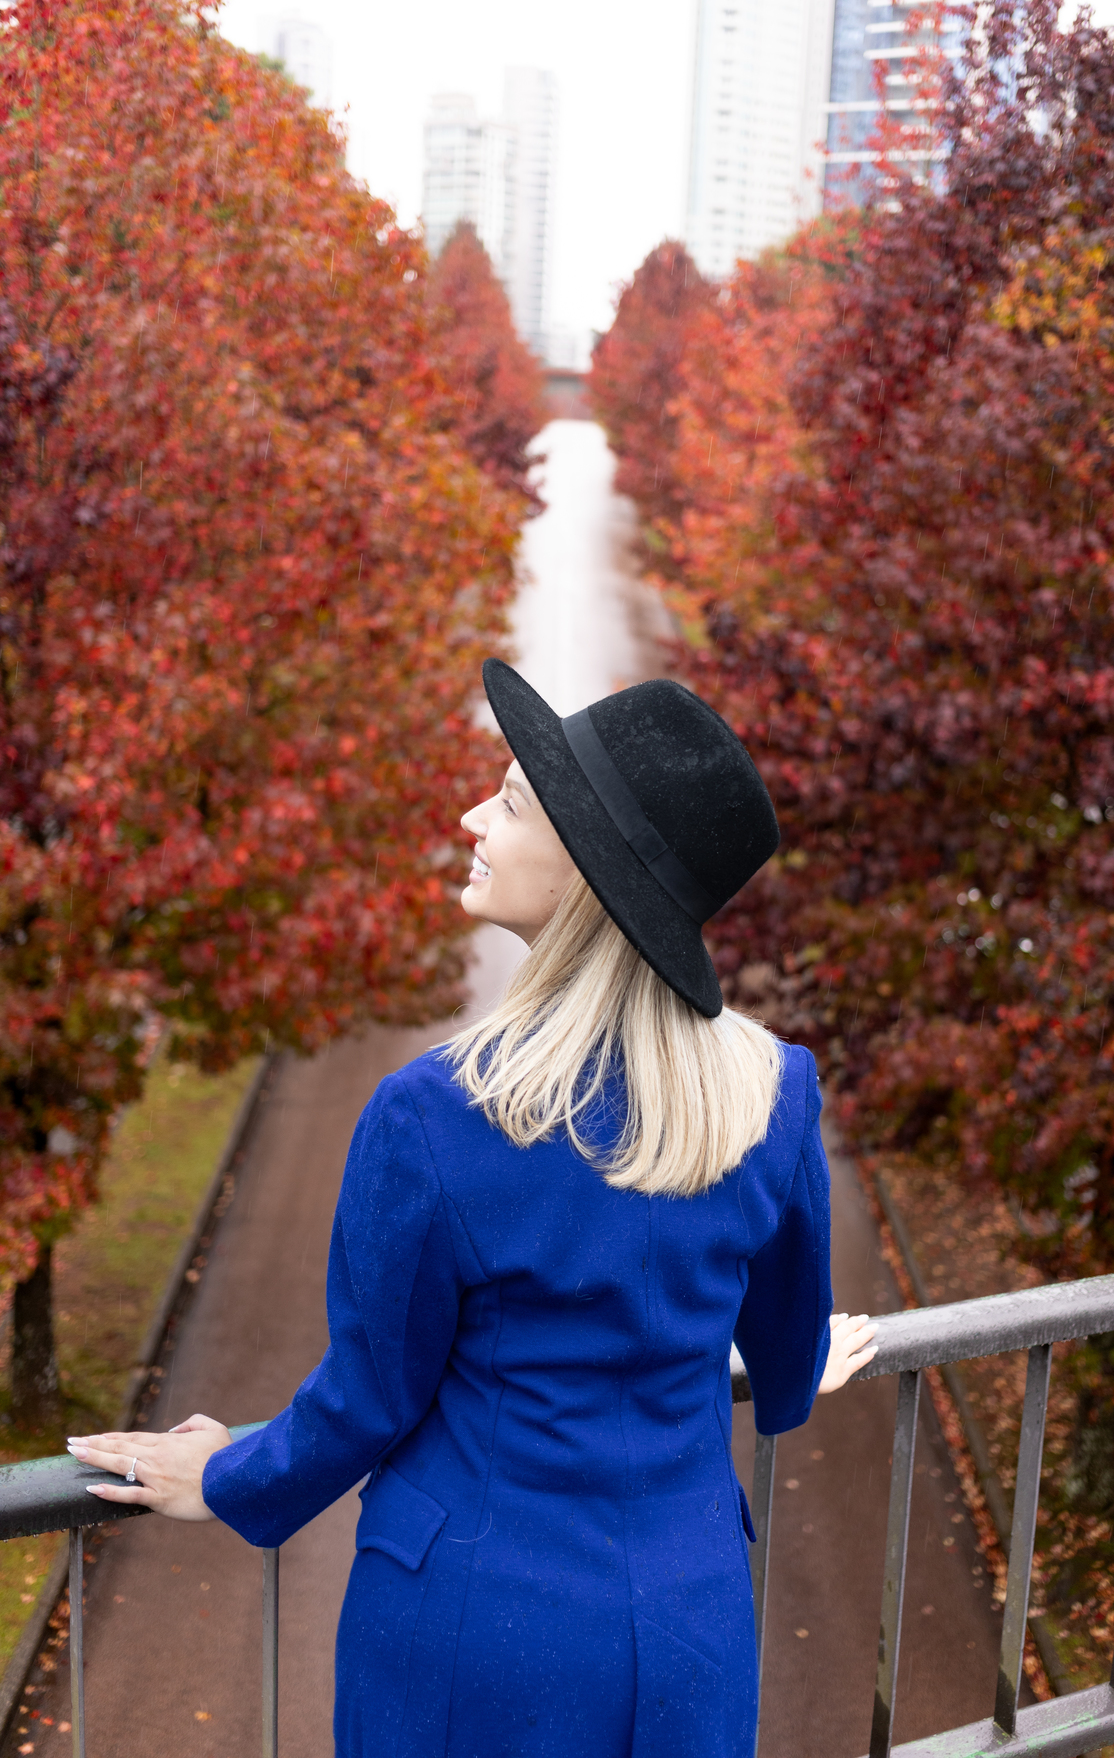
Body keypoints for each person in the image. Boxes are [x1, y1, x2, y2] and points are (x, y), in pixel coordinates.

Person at [68, 660, 876, 1758]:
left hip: (469, 1637)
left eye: (509, 804)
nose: (472, 819)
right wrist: (800, 1352)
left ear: (584, 872)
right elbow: (781, 1376)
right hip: (688, 1628)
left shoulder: (435, 1116)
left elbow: (369, 1396)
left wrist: (221, 1475)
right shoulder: (773, 1095)